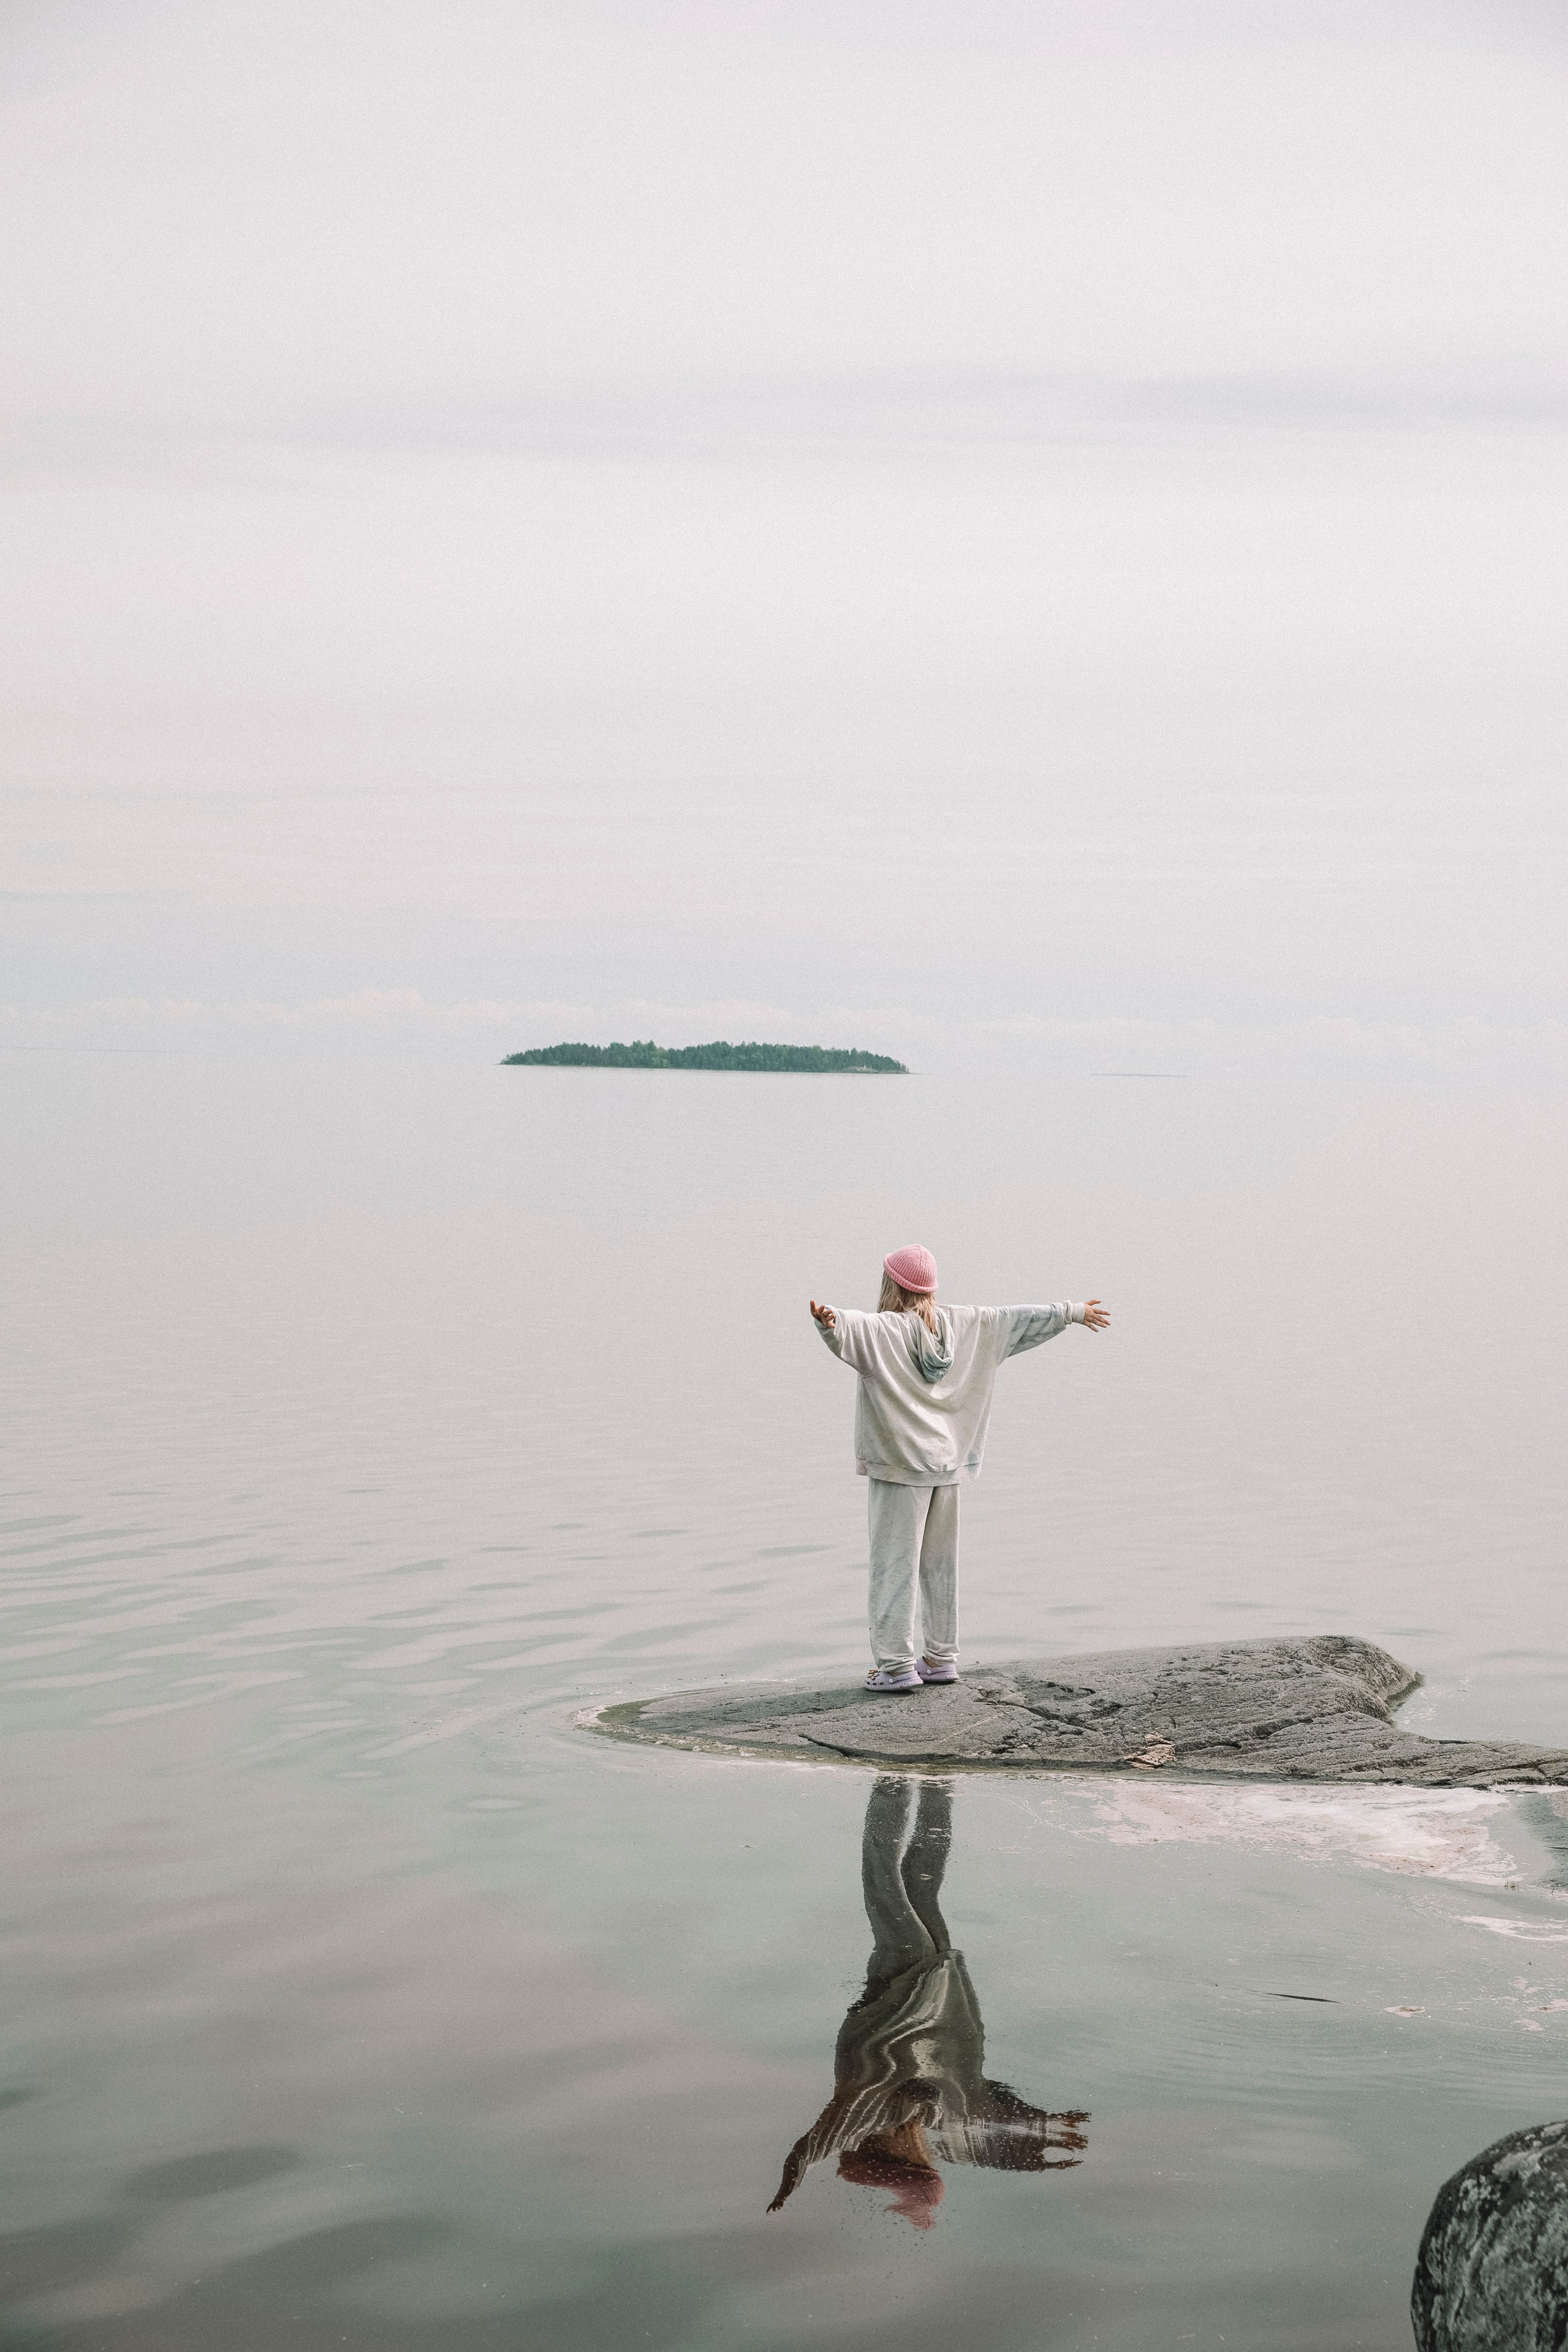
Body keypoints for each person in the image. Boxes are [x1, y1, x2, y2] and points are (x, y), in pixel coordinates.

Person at [767, 1776, 1088, 2228]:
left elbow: (817, 2146)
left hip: (899, 1986)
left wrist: (791, 2181)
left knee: (887, 1886)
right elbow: (992, 2122)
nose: (926, 2154)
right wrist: (1047, 2130)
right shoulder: (940, 2118)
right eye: (921, 2161)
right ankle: (936, 1787)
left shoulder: (862, 2121)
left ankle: (895, 1785)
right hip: (936, 1980)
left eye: (919, 2160)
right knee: (917, 1887)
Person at [810, 1244, 1109, 1691]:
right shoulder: (969, 1325)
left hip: (900, 1469)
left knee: (894, 1565)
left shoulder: (885, 1330)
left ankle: (895, 1667)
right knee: (940, 1566)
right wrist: (1071, 1311)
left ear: (892, 1285)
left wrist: (829, 1322)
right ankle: (941, 1658)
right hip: (948, 1466)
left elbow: (852, 1327)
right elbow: (1017, 1319)